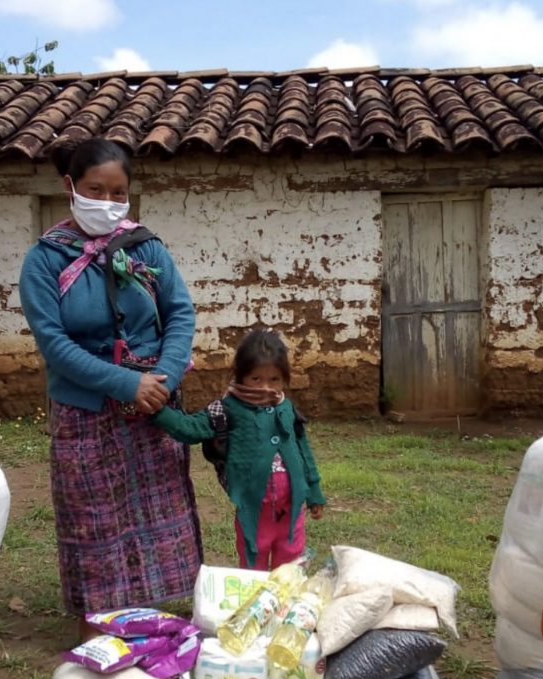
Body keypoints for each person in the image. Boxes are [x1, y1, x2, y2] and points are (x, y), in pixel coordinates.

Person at [18, 137, 203, 624]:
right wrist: (125, 384)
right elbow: (55, 344)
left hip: (154, 401)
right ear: (70, 187)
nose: (107, 202)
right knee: (94, 514)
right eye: (95, 190)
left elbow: (180, 313)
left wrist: (163, 377)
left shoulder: (146, 247)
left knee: (159, 504)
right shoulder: (45, 260)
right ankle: (100, 614)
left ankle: (153, 605)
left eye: (118, 193)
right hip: (86, 409)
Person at [152, 329, 325, 570]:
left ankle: (286, 594)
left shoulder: (286, 408)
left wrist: (314, 492)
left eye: (274, 379)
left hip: (291, 510)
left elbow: (303, 449)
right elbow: (190, 429)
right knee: (254, 564)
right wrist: (158, 411)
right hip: (254, 511)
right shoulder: (226, 409)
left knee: (290, 566)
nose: (265, 387)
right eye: (256, 379)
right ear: (241, 375)